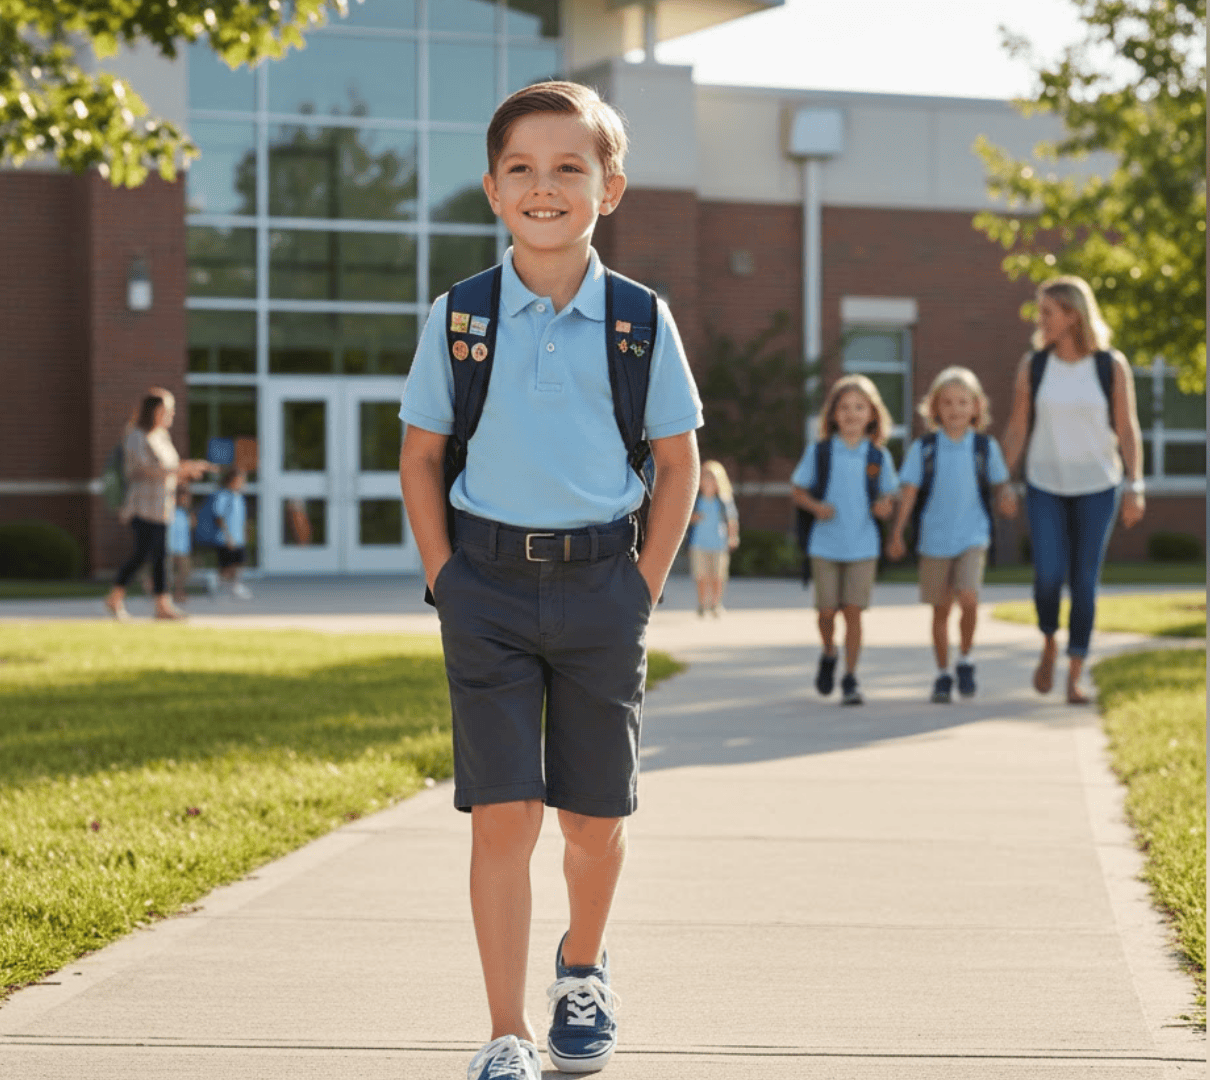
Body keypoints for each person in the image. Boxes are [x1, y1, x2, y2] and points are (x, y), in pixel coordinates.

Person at [396, 81, 702, 1080]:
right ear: (492, 188)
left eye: (570, 167)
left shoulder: (638, 322)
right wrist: (447, 579)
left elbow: (678, 463)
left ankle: (582, 965)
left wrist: (643, 586)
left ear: (609, 188)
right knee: (503, 812)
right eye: (522, 168)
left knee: (595, 819)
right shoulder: (461, 317)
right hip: (484, 586)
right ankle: (506, 1032)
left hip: (601, 587)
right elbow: (420, 456)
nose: (544, 187)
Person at [998, 276, 1146, 703]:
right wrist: (1003, 480)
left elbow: (1126, 428)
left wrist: (1135, 484)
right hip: (1045, 484)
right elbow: (1016, 427)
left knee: (1084, 580)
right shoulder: (1034, 365)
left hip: (1099, 486)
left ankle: (1075, 673)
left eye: (1047, 312)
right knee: (1047, 576)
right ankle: (1048, 645)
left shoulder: (1109, 365)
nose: (1039, 319)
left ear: (1072, 315)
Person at [886, 366, 1017, 703]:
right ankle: (943, 673)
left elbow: (1000, 484)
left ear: (976, 407)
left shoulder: (985, 448)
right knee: (941, 610)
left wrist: (1006, 497)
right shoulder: (924, 449)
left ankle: (966, 659)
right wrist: (898, 533)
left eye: (962, 402)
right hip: (934, 538)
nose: (955, 409)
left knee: (969, 597)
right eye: (947, 403)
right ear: (935, 409)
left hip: (973, 534)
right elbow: (910, 492)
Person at [791, 375, 899, 706]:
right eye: (844, 407)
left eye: (859, 407)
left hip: (863, 546)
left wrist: (884, 508)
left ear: (872, 415)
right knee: (826, 612)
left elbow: (887, 500)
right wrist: (815, 506)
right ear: (833, 414)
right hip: (825, 545)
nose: (851, 413)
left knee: (853, 612)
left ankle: (851, 677)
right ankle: (828, 652)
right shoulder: (820, 452)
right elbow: (798, 490)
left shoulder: (878, 457)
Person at [105, 390, 211, 621]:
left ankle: (162, 606)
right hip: (142, 506)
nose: (171, 414)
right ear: (154, 411)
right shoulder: (136, 436)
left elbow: (167, 469)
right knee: (143, 555)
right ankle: (117, 597)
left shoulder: (161, 436)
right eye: (167, 410)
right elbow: (139, 470)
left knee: (160, 556)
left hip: (162, 506)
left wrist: (187, 471)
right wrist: (178, 469)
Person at [687, 460, 739, 617]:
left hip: (718, 544)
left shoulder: (724, 501)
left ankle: (716, 604)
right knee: (701, 576)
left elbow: (732, 520)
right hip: (698, 544)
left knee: (718, 576)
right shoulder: (695, 499)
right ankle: (702, 603)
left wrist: (733, 537)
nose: (708, 482)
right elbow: (685, 519)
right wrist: (694, 517)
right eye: (705, 478)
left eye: (712, 479)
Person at [209, 467, 251, 600]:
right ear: (232, 480)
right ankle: (216, 582)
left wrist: (245, 533)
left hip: (239, 537)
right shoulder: (223, 496)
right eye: (241, 480)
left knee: (239, 562)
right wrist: (228, 537)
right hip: (225, 538)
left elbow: (241, 519)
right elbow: (219, 517)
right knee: (227, 566)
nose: (243, 483)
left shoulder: (238, 497)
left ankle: (235, 586)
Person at [166, 486, 196, 608]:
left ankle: (179, 592)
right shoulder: (168, 511)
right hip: (170, 547)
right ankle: (165, 595)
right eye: (184, 498)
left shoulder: (186, 513)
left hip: (183, 548)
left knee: (184, 571)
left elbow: (191, 527)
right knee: (167, 572)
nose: (186, 500)